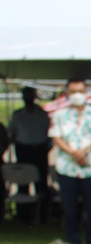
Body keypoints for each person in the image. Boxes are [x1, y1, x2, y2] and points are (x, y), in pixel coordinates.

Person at [48, 78, 91, 244]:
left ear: (86, 92)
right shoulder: (59, 115)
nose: (77, 95)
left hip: (90, 166)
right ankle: (72, 240)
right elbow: (56, 137)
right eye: (73, 91)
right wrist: (73, 152)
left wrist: (85, 151)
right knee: (70, 207)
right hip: (67, 167)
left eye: (80, 91)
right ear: (67, 93)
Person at [9, 87, 53, 223]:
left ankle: (43, 216)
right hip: (23, 150)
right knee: (23, 183)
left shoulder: (42, 114)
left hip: (39, 150)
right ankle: (23, 215)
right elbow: (13, 133)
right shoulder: (17, 115)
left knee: (42, 184)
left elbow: (47, 133)